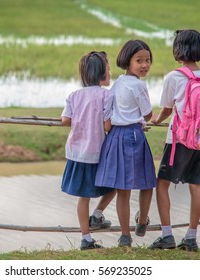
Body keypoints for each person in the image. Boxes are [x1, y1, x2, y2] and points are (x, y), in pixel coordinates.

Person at [149, 29, 200, 252]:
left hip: (180, 140)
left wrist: (156, 120)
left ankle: (167, 236)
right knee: (196, 185)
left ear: (178, 49)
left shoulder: (174, 77)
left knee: (162, 184)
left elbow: (166, 109)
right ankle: (191, 238)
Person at [95, 40, 157, 247]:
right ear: (127, 62)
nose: (145, 65)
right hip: (133, 136)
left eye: (147, 60)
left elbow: (108, 112)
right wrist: (151, 117)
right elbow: (147, 115)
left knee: (123, 188)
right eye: (139, 60)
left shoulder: (118, 83)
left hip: (115, 136)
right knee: (147, 181)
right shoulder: (139, 85)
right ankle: (142, 220)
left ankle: (125, 236)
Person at [61, 51, 116, 250]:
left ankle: (86, 237)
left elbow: (66, 120)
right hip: (97, 153)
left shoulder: (74, 95)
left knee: (83, 197)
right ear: (102, 73)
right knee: (114, 186)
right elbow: (108, 125)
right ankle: (98, 214)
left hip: (77, 153)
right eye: (109, 69)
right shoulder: (106, 94)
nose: (110, 73)